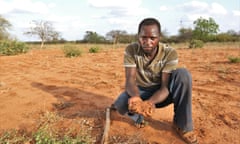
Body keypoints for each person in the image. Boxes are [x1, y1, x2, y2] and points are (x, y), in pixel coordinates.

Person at [111, 18, 198, 144]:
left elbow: (164, 87)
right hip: (141, 91)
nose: (148, 42)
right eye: (143, 37)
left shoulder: (169, 53)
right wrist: (136, 98)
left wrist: (148, 104)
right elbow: (130, 79)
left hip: (163, 94)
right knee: (121, 105)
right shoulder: (131, 50)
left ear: (159, 37)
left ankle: (182, 125)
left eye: (153, 38)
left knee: (183, 74)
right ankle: (138, 117)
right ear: (138, 36)